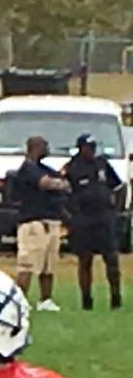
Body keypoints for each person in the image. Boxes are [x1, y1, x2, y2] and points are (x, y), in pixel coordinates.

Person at [60, 133, 122, 311]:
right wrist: (70, 218)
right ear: (81, 148)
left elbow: (118, 186)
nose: (92, 151)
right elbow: (61, 195)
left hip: (104, 218)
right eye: (89, 147)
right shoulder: (72, 168)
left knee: (111, 259)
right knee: (85, 260)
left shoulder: (101, 163)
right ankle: (87, 300)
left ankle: (115, 298)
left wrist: (114, 210)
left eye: (94, 147)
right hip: (83, 219)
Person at [8, 135, 69, 312]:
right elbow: (46, 183)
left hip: (51, 222)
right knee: (28, 265)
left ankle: (45, 300)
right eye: (45, 145)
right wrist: (59, 184)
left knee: (48, 266)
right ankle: (19, 301)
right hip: (34, 224)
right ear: (35, 148)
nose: (47, 149)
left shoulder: (44, 168)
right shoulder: (28, 169)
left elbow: (62, 179)